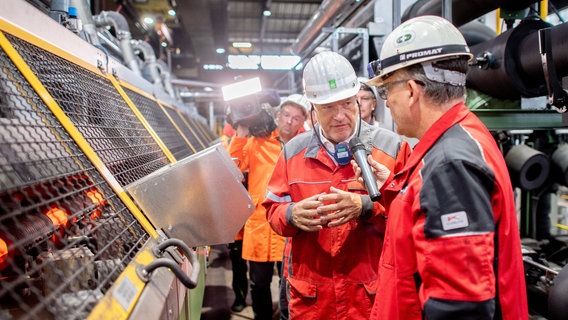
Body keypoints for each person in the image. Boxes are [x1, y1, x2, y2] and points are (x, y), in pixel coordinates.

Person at [353, 15, 528, 320]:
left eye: (386, 92)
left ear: (410, 91)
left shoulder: (450, 164)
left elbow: (460, 306)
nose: (387, 104)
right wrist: (394, 191)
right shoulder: (459, 138)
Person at [262, 51, 411, 319]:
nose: (340, 115)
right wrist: (291, 215)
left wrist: (366, 206)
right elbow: (273, 210)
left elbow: (411, 216)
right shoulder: (292, 152)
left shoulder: (392, 148)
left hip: (370, 298)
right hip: (313, 300)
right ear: (313, 109)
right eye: (329, 107)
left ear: (358, 100)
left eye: (347, 104)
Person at [229, 93, 308, 319]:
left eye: (296, 118)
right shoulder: (257, 141)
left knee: (292, 282)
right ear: (277, 115)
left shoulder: (307, 144)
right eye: (286, 115)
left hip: (292, 225)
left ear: (303, 121)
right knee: (259, 283)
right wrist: (242, 131)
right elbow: (232, 168)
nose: (289, 121)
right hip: (261, 224)